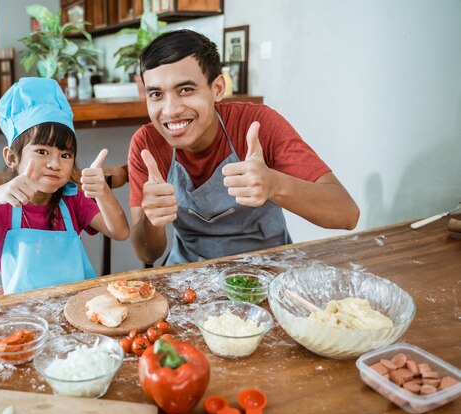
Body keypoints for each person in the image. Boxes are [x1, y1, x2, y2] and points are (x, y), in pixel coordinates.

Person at [128, 30, 359, 266]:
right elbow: (147, 255)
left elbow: (347, 214)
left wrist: (274, 184)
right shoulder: (147, 145)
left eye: (186, 90)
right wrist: (152, 220)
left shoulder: (257, 124)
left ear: (217, 89)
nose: (170, 110)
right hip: (189, 277)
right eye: (156, 94)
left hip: (268, 268)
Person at [0, 78, 129, 293]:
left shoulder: (73, 201)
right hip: (25, 320)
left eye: (65, 155)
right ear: (12, 157)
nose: (55, 164)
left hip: (78, 309)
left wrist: (103, 193)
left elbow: (120, 232)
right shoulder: (2, 209)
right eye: (42, 151)